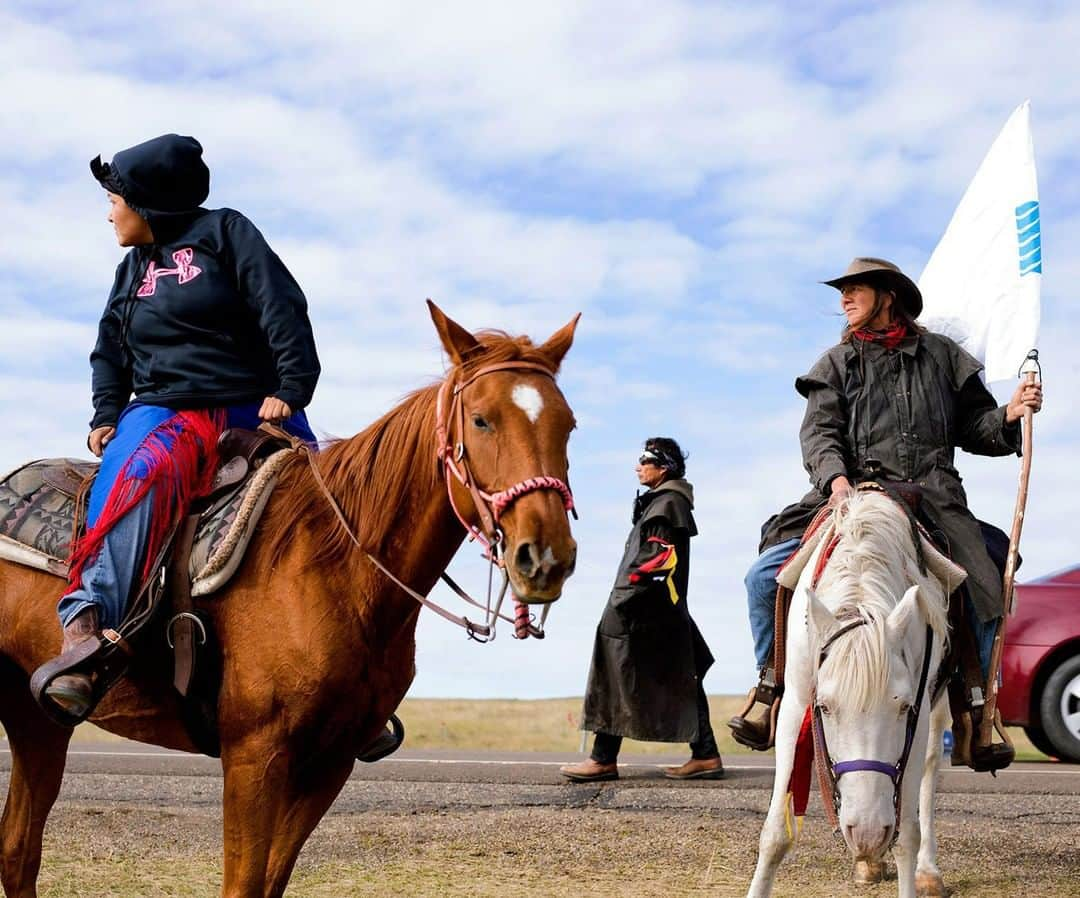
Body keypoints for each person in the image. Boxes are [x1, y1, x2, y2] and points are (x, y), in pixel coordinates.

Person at [41, 133, 321, 717]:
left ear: (147, 200)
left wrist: (290, 390)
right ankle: (88, 632)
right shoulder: (131, 268)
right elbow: (109, 347)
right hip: (164, 409)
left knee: (322, 498)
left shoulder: (225, 233)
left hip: (250, 402)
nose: (109, 210)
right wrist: (106, 411)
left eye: (116, 197)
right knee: (138, 478)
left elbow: (280, 306)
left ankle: (342, 665)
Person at [727, 257, 1043, 767]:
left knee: (988, 575)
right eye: (843, 292)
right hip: (852, 494)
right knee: (763, 577)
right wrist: (836, 481)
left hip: (934, 499)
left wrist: (1009, 413)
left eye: (855, 290)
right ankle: (771, 685)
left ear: (887, 296)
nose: (845, 299)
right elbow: (820, 433)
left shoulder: (942, 357)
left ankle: (978, 708)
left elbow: (977, 428)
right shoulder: (834, 363)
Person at [560, 438, 723, 782]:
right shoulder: (664, 503)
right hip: (661, 611)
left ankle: (602, 759)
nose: (638, 465)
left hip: (641, 611)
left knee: (614, 672)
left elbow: (658, 561)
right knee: (682, 676)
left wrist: (622, 598)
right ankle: (706, 754)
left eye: (645, 460)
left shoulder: (666, 504)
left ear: (663, 467)